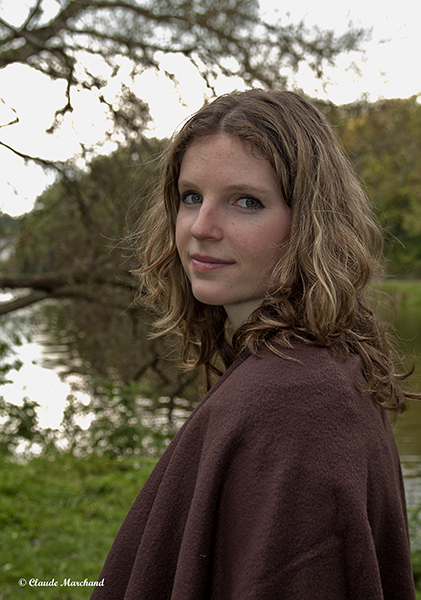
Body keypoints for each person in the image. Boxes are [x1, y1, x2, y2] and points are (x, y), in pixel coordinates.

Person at [91, 90, 418, 599]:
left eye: (246, 201)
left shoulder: (297, 400)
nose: (201, 227)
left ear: (311, 223)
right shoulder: (309, 367)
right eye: (191, 197)